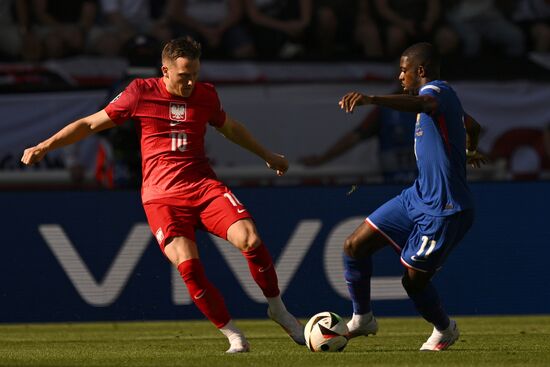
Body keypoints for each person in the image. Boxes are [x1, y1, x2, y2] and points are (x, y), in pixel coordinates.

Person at [21, 37, 305, 353]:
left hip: (203, 188)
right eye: (184, 75)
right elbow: (90, 123)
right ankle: (234, 335)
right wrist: (45, 145)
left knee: (250, 238)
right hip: (162, 198)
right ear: (165, 71)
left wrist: (266, 154)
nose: (190, 82)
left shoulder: (206, 94)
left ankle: (277, 308)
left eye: (195, 74)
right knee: (188, 266)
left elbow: (230, 128)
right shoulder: (140, 92)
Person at [338, 42, 487, 351]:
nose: (399, 75)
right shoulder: (439, 99)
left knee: (413, 282)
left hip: (445, 208)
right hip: (417, 196)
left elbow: (427, 106)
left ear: (421, 71)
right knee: (354, 246)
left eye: (404, 70)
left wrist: (372, 99)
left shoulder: (436, 93)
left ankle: (444, 329)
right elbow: (474, 126)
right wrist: (468, 149)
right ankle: (362, 317)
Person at [299, 90, 417, 183]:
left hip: (427, 187)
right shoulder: (385, 110)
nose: (401, 76)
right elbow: (355, 136)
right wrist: (322, 159)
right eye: (401, 71)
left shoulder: (432, 105)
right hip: (394, 186)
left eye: (406, 71)